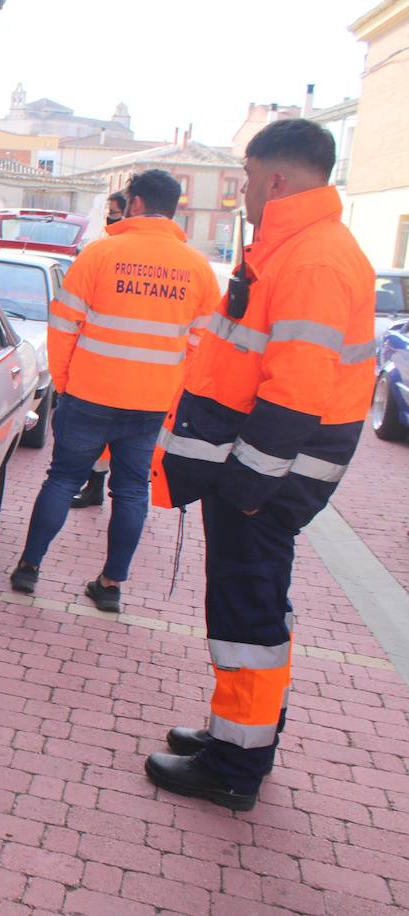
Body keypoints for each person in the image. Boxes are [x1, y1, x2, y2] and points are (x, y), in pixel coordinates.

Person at [146, 119, 375, 811]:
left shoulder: (311, 259)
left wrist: (246, 486)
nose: (241, 192)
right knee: (255, 605)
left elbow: (297, 390)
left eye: (245, 178)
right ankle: (239, 736)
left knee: (248, 614)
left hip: (267, 476)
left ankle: (232, 767)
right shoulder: (296, 248)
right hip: (264, 470)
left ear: (276, 180)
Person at [9, 168, 220, 611]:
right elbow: (202, 346)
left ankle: (29, 568)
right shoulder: (198, 268)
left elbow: (63, 327)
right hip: (150, 405)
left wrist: (65, 385)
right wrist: (170, 393)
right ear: (174, 207)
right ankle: (110, 586)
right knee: (130, 491)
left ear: (136, 203)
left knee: (63, 479)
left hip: (88, 394)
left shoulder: (101, 254)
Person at [71, 192, 136, 508]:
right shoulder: (101, 249)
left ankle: (115, 494)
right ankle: (97, 488)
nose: (111, 218)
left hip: (124, 374)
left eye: (115, 213)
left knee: (116, 449)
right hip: (108, 372)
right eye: (108, 213)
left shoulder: (111, 253)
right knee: (103, 447)